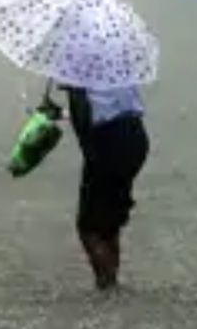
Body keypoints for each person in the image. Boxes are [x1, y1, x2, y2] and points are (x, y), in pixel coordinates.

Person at [59, 82, 150, 291]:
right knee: (110, 220)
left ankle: (107, 283)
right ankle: (111, 278)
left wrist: (93, 160)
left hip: (107, 143)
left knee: (88, 226)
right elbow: (108, 106)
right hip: (135, 136)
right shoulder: (118, 66)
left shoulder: (78, 79)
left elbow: (84, 125)